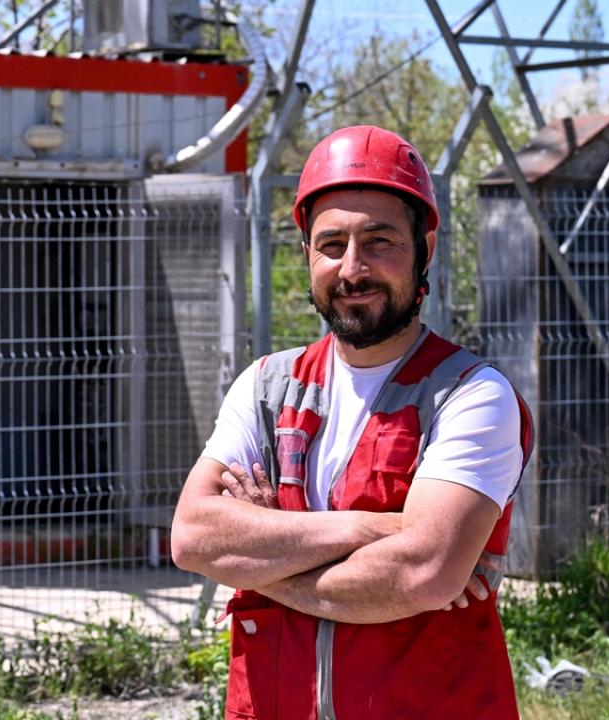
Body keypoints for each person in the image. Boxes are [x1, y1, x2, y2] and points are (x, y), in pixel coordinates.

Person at [170, 125, 533, 719]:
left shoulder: (470, 396)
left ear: (425, 249)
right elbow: (193, 537)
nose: (353, 268)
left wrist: (263, 564)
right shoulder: (266, 389)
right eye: (332, 244)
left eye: (379, 241)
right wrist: (375, 529)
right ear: (307, 254)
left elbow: (422, 571)